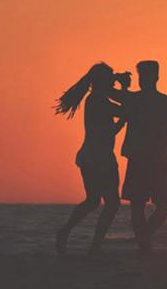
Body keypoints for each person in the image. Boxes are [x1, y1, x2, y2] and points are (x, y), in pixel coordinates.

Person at [53, 62, 131, 255]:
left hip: (89, 156)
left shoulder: (94, 99)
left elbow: (114, 123)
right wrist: (124, 88)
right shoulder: (98, 100)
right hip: (100, 158)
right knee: (111, 203)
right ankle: (95, 245)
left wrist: (117, 83)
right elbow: (122, 113)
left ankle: (66, 232)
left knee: (93, 200)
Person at [106, 60, 167, 254]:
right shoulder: (164, 102)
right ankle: (144, 243)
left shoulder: (149, 101)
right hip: (154, 158)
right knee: (151, 204)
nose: (143, 80)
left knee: (150, 204)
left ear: (154, 77)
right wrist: (120, 84)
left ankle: (144, 240)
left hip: (148, 158)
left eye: (144, 76)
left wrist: (117, 82)